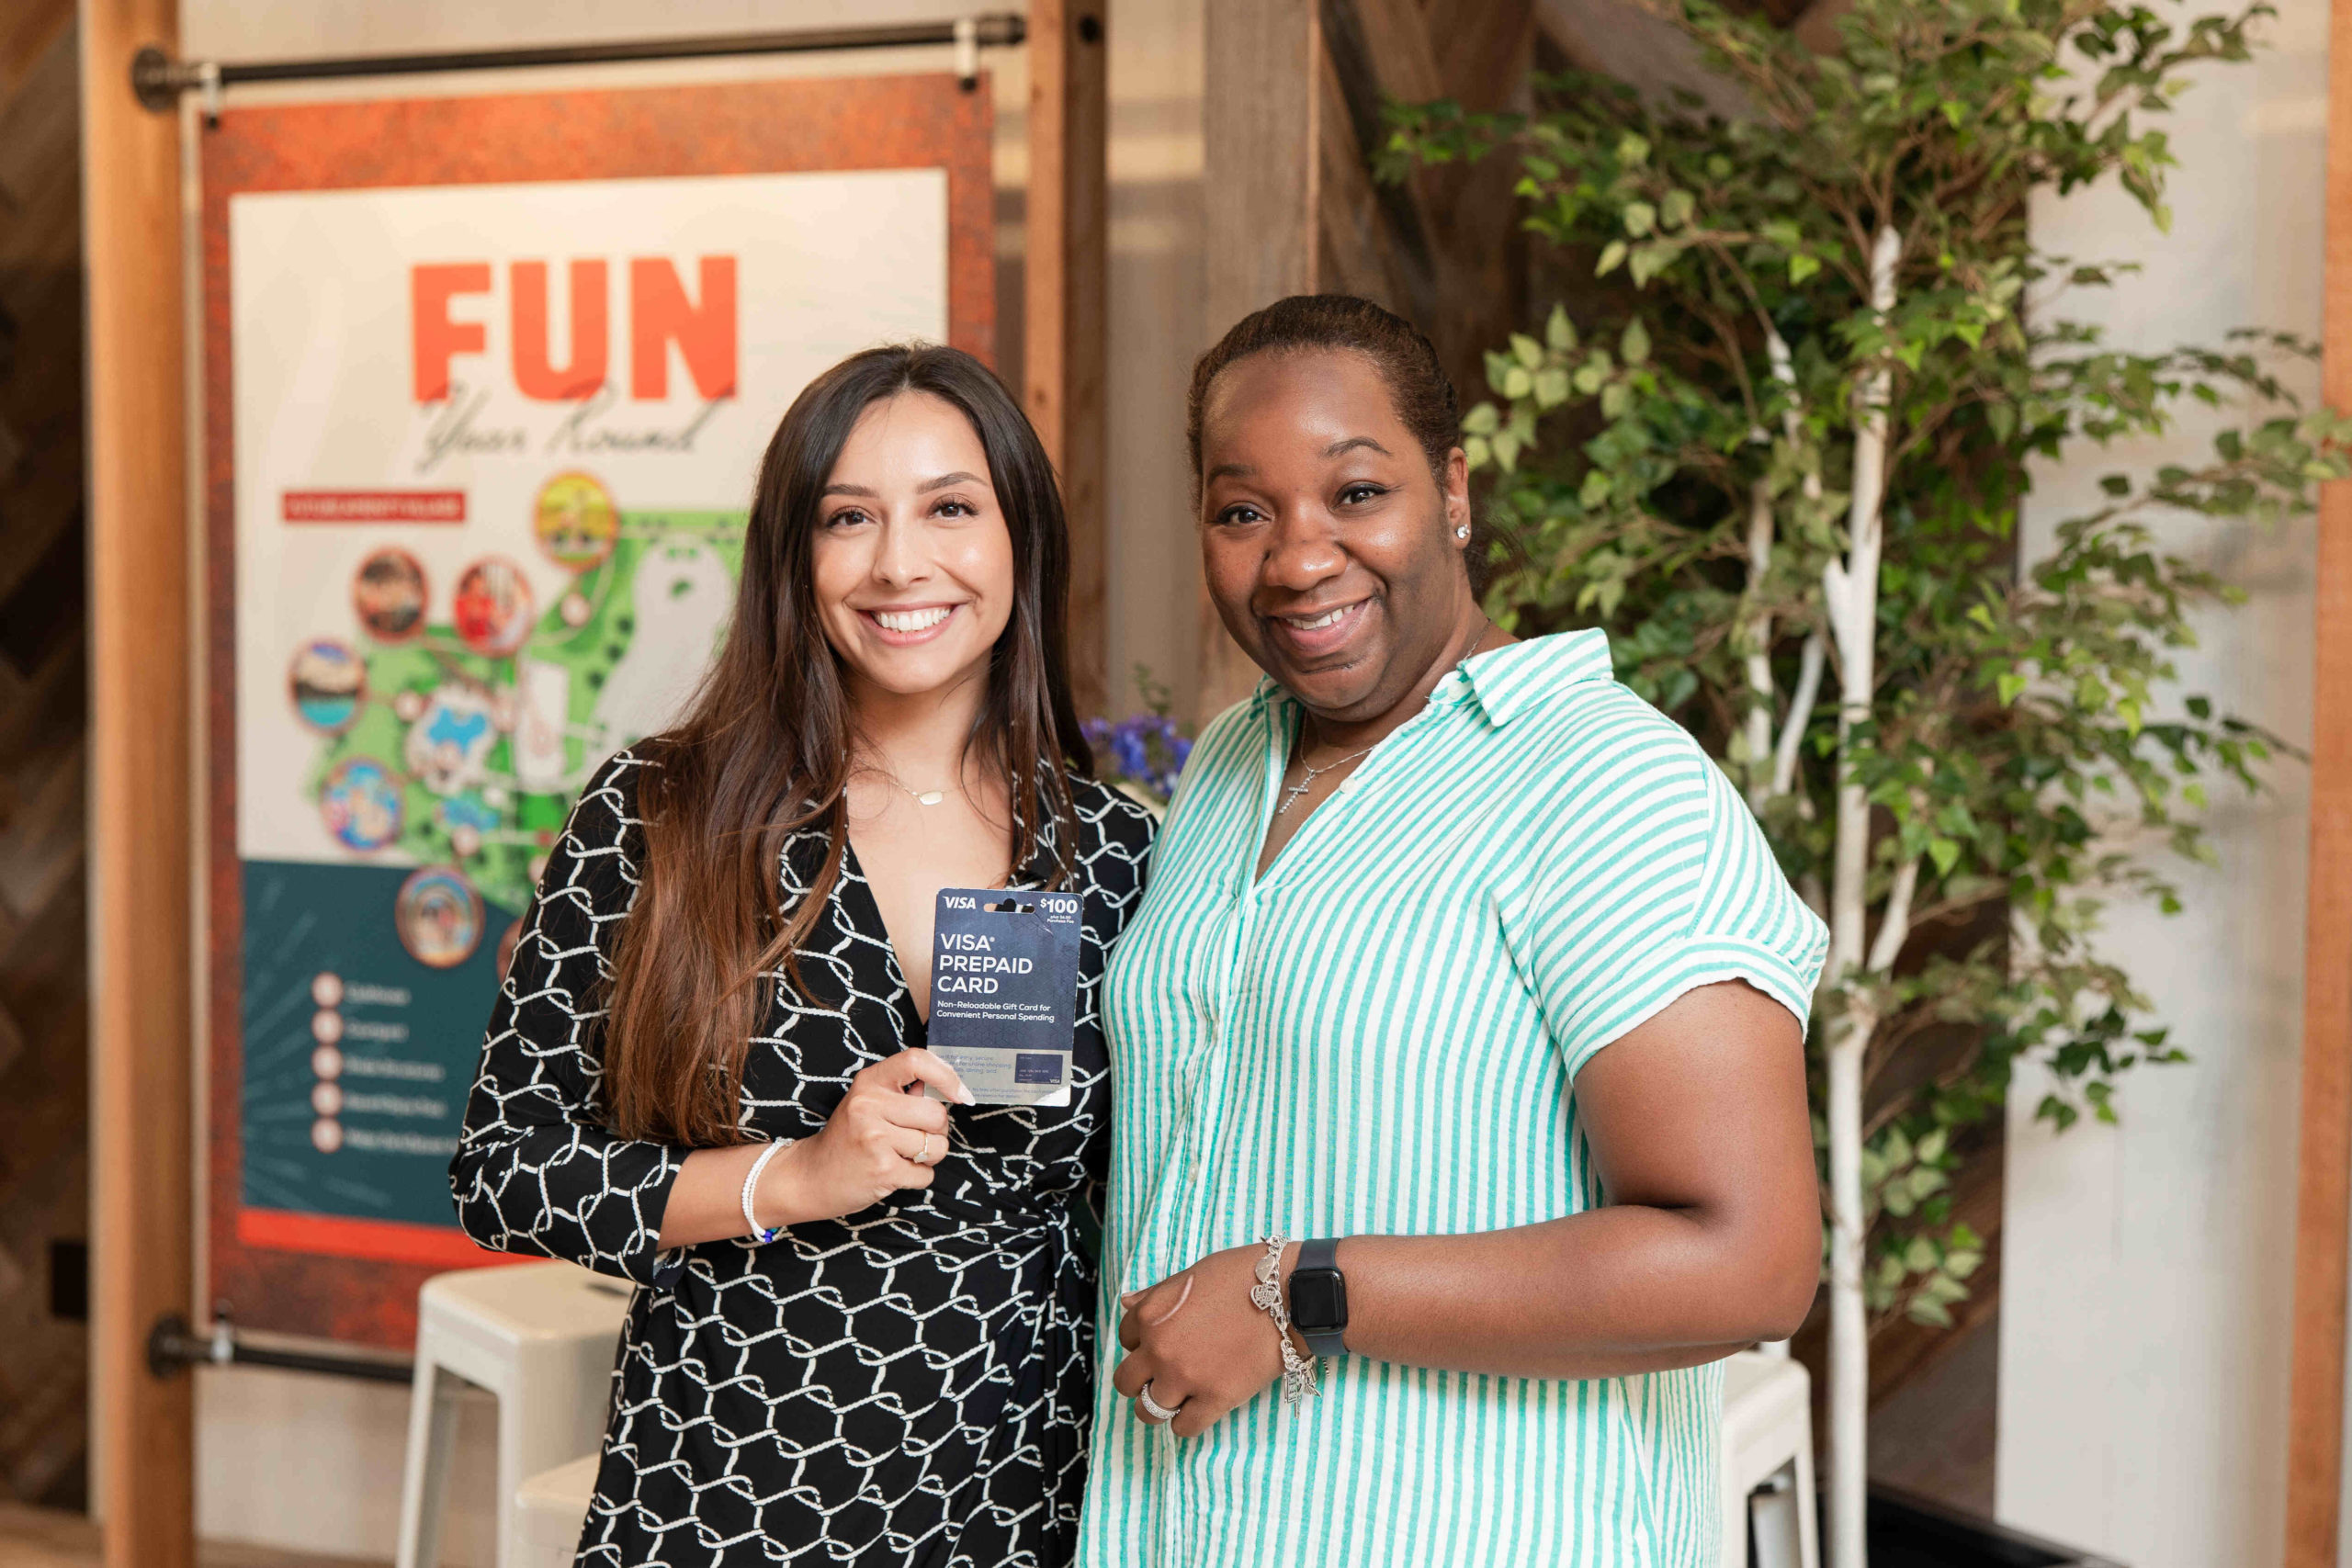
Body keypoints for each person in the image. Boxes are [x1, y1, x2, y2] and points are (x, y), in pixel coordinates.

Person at [1081, 295, 1829, 1567]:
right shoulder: (1226, 772)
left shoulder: (1603, 780)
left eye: (1356, 493)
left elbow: (1747, 1262)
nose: (1298, 557)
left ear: (1453, 488)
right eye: (1241, 510)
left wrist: (1299, 1293)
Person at [450, 344, 1156, 1567]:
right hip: (732, 1490)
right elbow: (507, 1170)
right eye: (849, 518)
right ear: (795, 556)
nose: (899, 562)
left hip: (1025, 1503)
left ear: (1020, 540)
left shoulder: (1113, 853)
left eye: (950, 508)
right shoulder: (660, 816)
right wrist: (794, 1176)